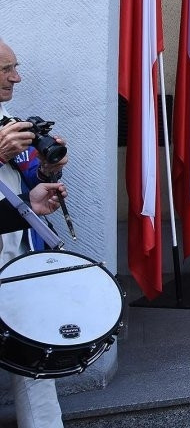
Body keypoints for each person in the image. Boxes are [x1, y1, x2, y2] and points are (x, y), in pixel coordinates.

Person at [0, 39, 69, 428]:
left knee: (33, 365)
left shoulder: (8, 120)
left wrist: (45, 178)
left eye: (16, 66)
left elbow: (22, 183)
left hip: (16, 261)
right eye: (6, 69)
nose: (17, 77)